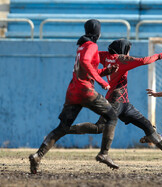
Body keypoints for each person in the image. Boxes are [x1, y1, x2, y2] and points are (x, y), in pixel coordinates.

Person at [29, 19, 120, 174]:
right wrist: (101, 81)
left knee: (62, 127)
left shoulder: (82, 46)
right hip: (86, 91)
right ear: (97, 32)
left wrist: (105, 72)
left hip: (73, 92)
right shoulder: (92, 46)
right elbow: (86, 63)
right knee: (112, 116)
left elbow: (86, 68)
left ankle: (38, 155)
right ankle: (103, 154)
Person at [67, 39, 162, 159]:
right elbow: (144, 61)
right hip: (116, 101)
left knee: (147, 125)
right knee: (99, 127)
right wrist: (160, 55)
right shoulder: (122, 59)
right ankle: (67, 129)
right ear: (123, 50)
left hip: (124, 103)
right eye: (128, 51)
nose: (128, 54)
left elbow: (91, 55)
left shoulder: (105, 56)